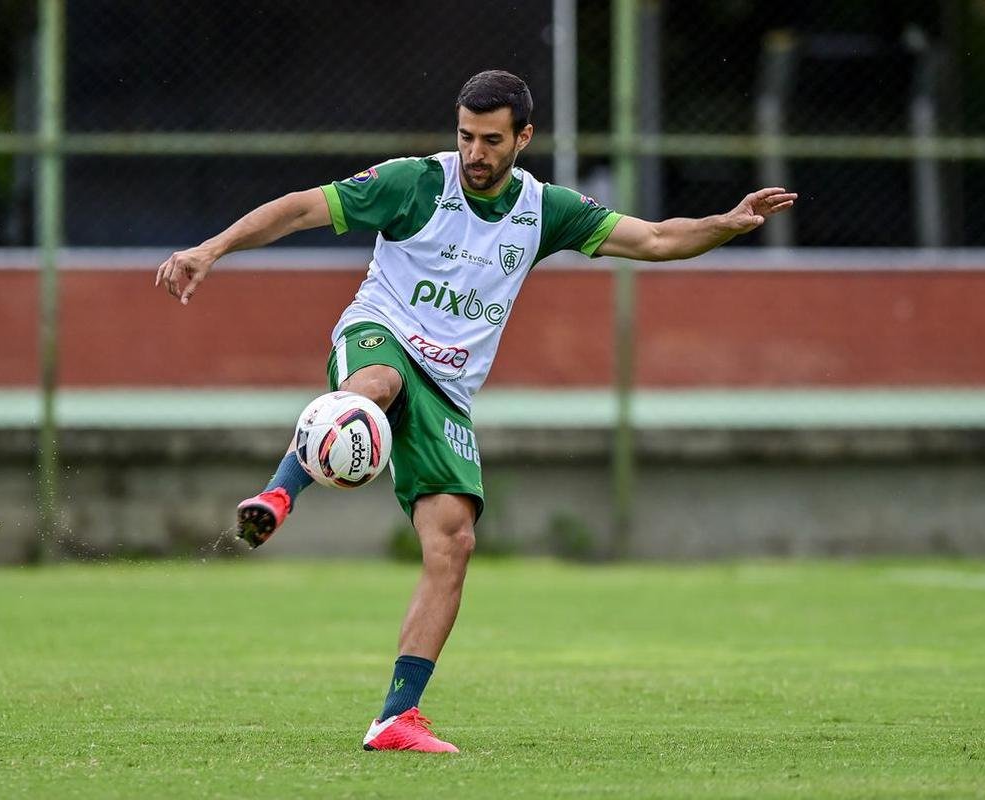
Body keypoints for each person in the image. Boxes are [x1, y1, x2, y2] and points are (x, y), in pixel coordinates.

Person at [155, 70, 795, 753]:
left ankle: (396, 718)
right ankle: (280, 494)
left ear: (523, 137)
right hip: (381, 333)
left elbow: (657, 240)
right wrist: (211, 248)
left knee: (453, 543)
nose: (474, 154)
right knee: (374, 385)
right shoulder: (414, 183)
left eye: (491, 140)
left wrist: (728, 223)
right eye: (465, 136)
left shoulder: (544, 209)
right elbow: (299, 208)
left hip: (448, 388)